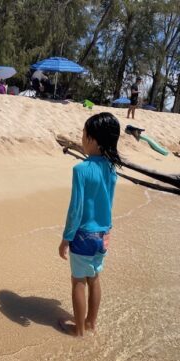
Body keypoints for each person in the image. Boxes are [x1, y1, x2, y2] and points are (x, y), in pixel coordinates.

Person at [58, 112, 122, 337]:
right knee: (94, 278)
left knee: (78, 282)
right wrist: (106, 230)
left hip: (84, 235)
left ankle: (79, 330)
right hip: (104, 234)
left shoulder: (81, 170)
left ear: (94, 140)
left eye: (84, 135)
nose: (82, 139)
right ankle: (91, 323)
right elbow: (109, 203)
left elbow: (75, 210)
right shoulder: (111, 169)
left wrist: (66, 238)